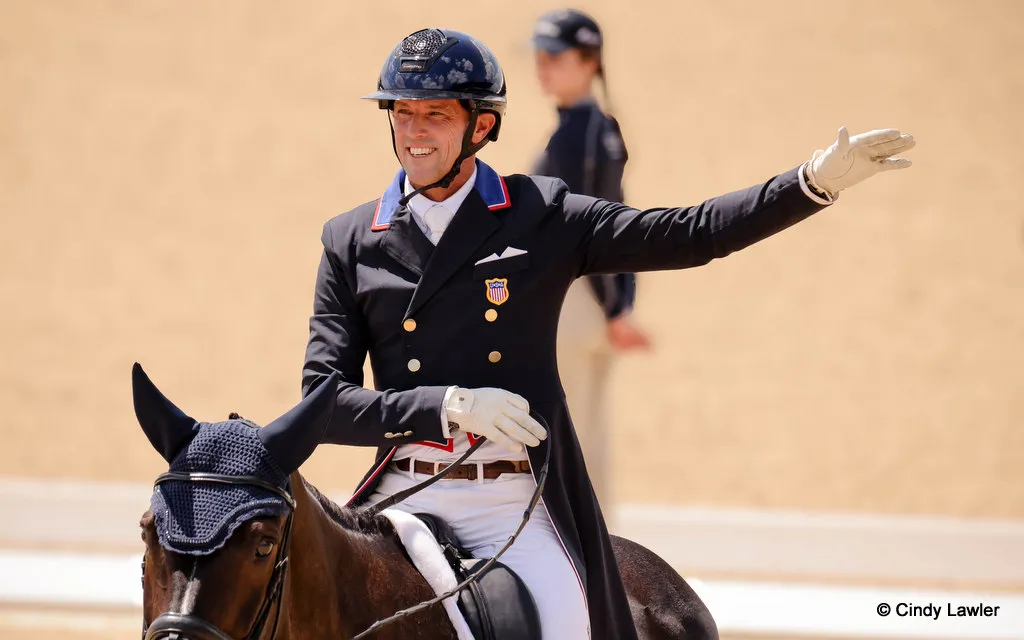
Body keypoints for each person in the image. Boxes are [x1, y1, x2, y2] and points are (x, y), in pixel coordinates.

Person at [300, 27, 915, 640]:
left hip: (513, 502)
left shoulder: (538, 215)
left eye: (434, 114)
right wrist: (448, 406)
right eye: (402, 113)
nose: (414, 132)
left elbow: (690, 232)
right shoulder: (351, 240)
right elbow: (323, 405)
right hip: (402, 498)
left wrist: (811, 182)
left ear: (481, 126)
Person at [531, 8, 650, 504]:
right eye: (540, 56)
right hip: (592, 295)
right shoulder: (600, 127)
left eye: (555, 57)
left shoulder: (576, 135)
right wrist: (621, 301)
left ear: (588, 60)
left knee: (563, 433)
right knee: (587, 434)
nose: (543, 67)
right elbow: (620, 220)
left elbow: (592, 227)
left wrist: (612, 305)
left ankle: (579, 555)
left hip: (576, 296)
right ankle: (599, 552)